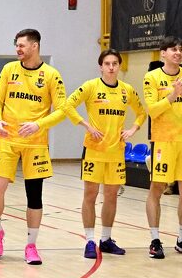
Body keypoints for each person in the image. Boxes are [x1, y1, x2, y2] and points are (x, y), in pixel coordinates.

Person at [0, 28, 67, 265]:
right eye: (17, 45)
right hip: (7, 140)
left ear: (35, 46)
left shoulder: (51, 75)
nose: (18, 49)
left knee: (34, 196)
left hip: (35, 144)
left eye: (22, 45)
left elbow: (62, 110)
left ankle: (31, 245)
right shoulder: (9, 70)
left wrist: (38, 124)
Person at [61, 49, 146, 258]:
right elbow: (67, 105)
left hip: (116, 152)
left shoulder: (127, 90)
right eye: (107, 63)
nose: (111, 67)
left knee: (111, 197)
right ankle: (90, 241)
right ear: (101, 66)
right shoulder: (91, 86)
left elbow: (142, 113)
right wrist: (86, 125)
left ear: (119, 66)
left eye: (115, 63)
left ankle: (106, 240)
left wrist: (133, 129)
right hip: (94, 151)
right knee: (90, 195)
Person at [142, 37, 182, 259]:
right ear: (163, 54)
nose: (178, 52)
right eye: (173, 49)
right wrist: (173, 95)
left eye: (180, 49)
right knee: (157, 188)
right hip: (163, 141)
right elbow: (152, 110)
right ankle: (154, 240)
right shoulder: (152, 77)